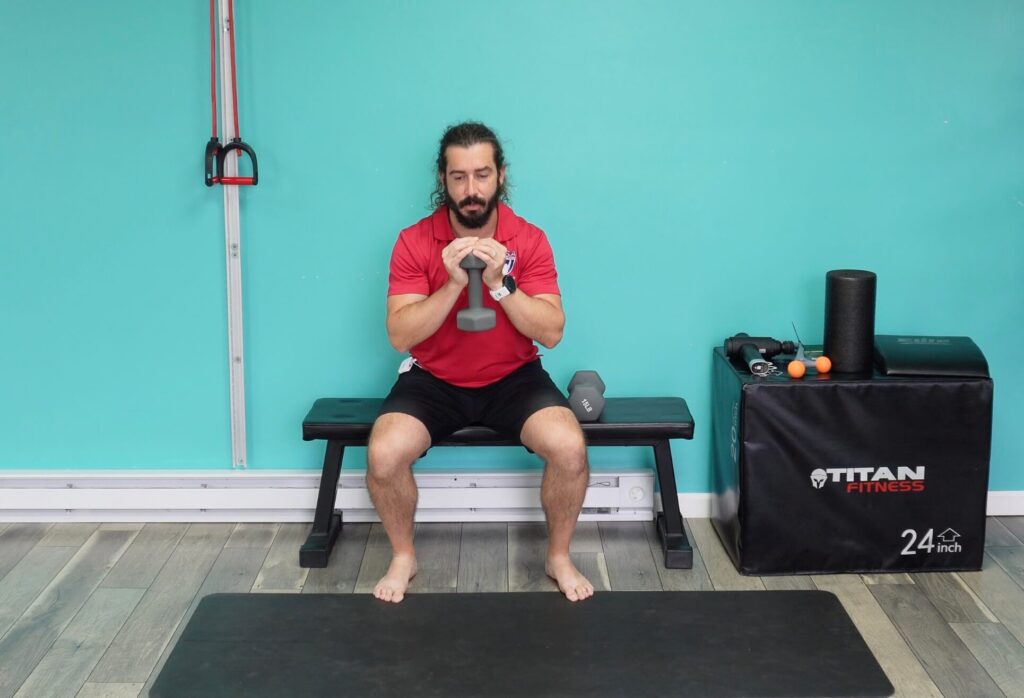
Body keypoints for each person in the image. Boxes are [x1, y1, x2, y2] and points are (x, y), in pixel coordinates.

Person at [367, 121, 594, 604]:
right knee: (383, 454)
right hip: (434, 380)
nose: (471, 190)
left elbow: (551, 332)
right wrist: (450, 283)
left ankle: (558, 556)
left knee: (570, 447)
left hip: (513, 378)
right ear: (443, 180)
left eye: (482, 175)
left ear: (500, 176)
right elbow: (399, 335)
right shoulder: (413, 241)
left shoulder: (528, 239)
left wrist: (500, 284)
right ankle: (404, 556)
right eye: (459, 177)